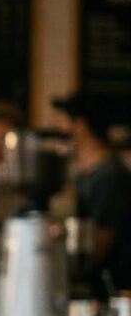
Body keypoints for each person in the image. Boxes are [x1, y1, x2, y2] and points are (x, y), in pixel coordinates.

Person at [54, 91, 131, 293]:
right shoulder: (84, 174)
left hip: (109, 291)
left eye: (63, 121)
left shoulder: (110, 177)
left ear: (80, 126)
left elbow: (100, 243)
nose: (59, 128)